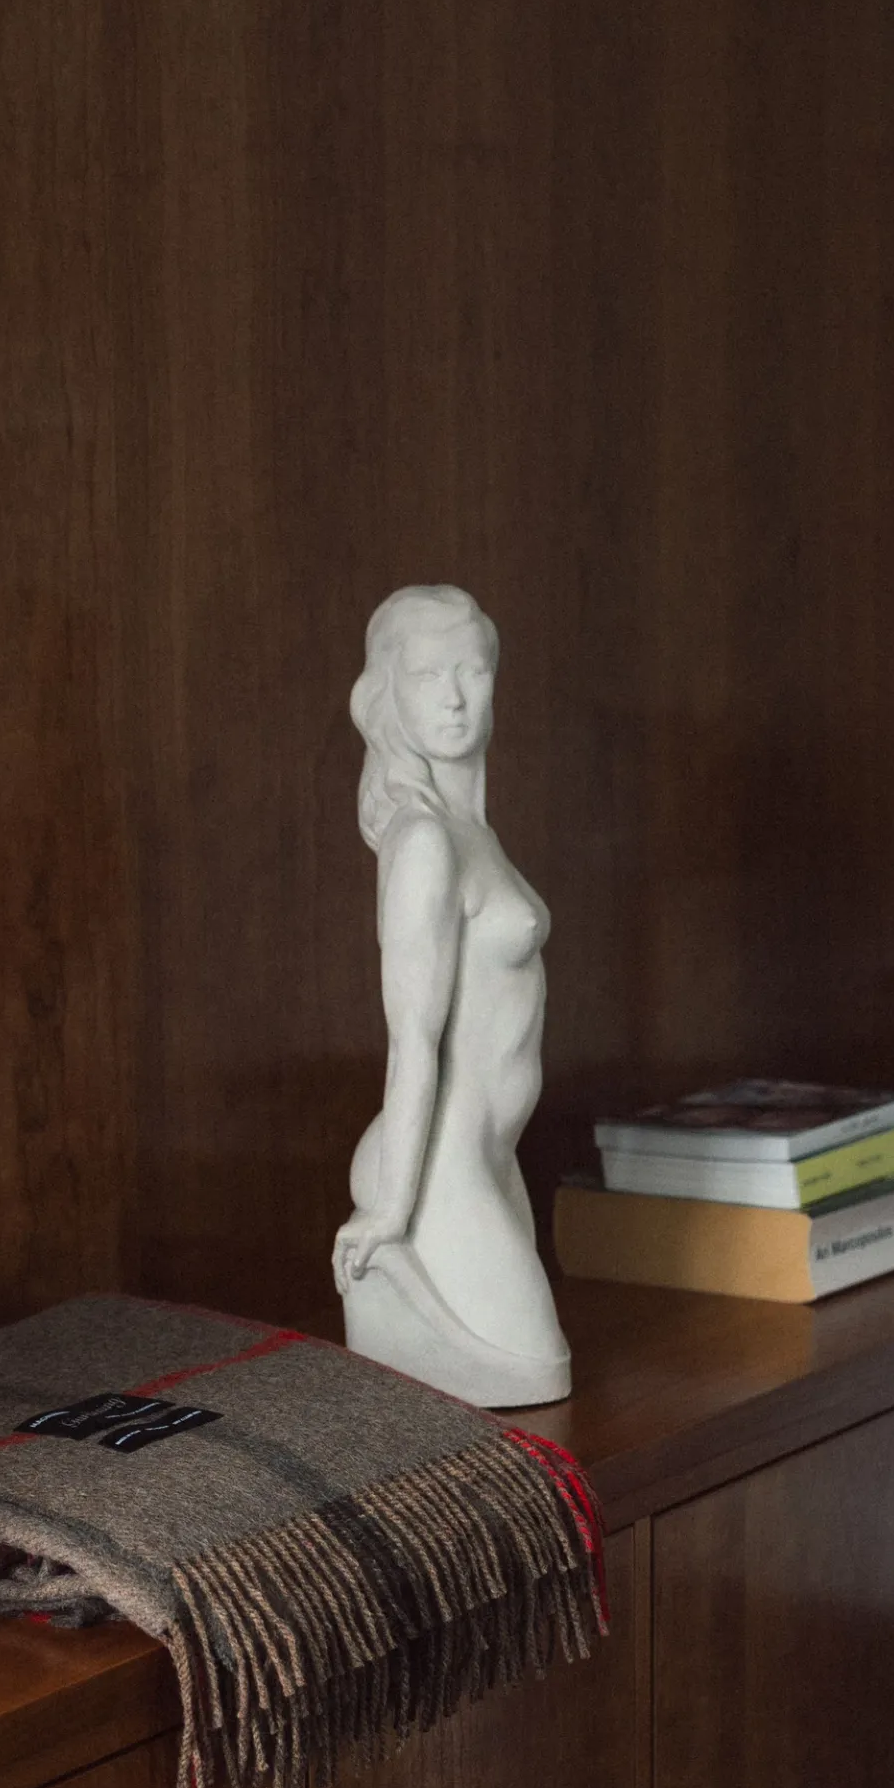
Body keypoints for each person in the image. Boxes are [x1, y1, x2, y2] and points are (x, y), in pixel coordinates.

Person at [331, 585, 571, 1405]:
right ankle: (400, 1256)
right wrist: (392, 1209)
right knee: (536, 1370)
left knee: (535, 1376)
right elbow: (412, 1040)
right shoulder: (425, 842)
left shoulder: (474, 831)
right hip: (437, 1167)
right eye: (429, 674)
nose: (456, 695)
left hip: (488, 1158)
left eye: (471, 668)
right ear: (386, 695)